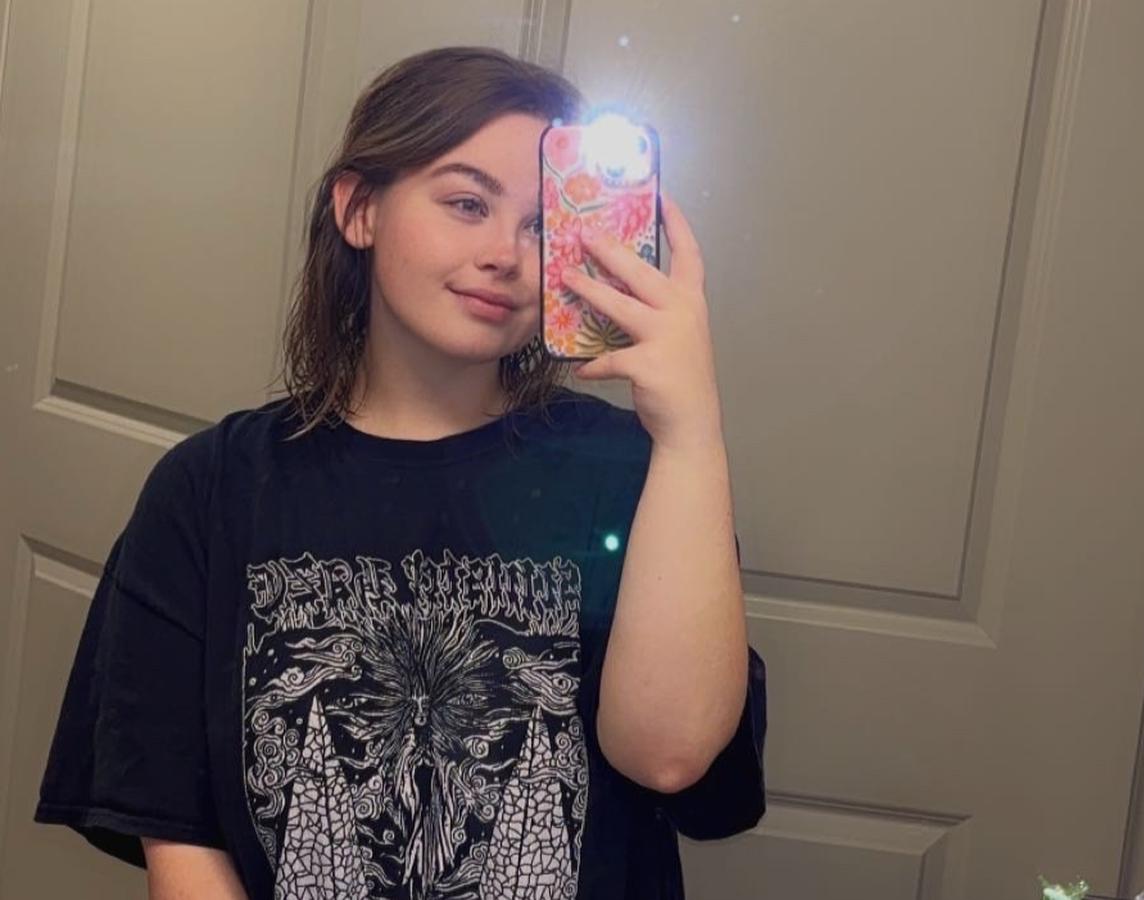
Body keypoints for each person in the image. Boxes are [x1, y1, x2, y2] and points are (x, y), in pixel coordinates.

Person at [34, 45, 766, 900]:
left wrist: (691, 434)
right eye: (467, 203)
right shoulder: (208, 490)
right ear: (359, 209)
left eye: (543, 226)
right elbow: (179, 839)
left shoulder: (639, 473)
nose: (506, 253)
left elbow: (669, 755)